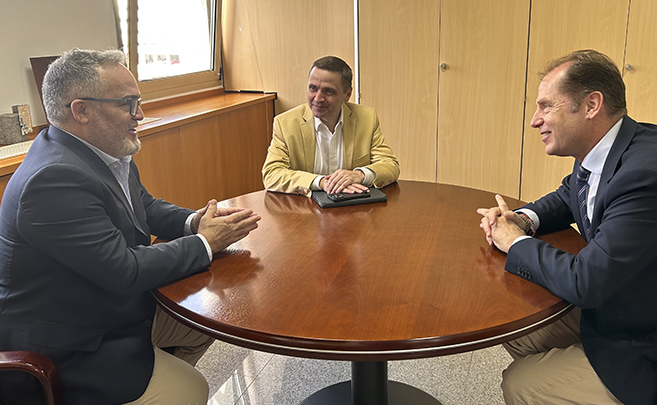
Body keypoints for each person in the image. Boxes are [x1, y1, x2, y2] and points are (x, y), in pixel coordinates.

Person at [478, 49, 657, 404]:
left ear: (591, 105)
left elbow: (586, 282)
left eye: (546, 106)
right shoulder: (610, 147)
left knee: (523, 383)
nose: (535, 120)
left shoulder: (648, 176)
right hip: (628, 301)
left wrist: (515, 242)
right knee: (517, 326)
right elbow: (570, 194)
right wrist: (524, 219)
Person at [0, 49, 261, 404]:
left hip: (108, 305)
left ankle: (151, 370)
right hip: (74, 341)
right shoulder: (53, 179)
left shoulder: (104, 151)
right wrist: (205, 242)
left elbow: (147, 206)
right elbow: (124, 270)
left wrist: (194, 220)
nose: (140, 114)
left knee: (212, 318)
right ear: (81, 111)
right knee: (190, 390)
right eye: (127, 103)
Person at [262, 56, 399, 196]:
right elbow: (272, 174)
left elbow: (390, 165)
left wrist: (359, 175)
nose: (317, 98)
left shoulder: (367, 118)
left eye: (328, 91)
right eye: (313, 88)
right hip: (305, 210)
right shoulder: (285, 123)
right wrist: (321, 182)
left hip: (354, 207)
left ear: (347, 95)